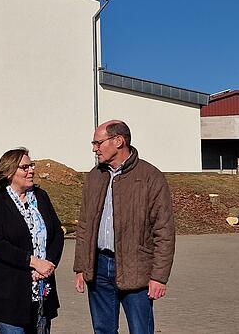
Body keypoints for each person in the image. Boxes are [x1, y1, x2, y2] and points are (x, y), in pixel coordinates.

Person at [73, 120, 176, 334]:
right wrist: (81, 266)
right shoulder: (94, 176)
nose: (94, 148)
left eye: (98, 142)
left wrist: (159, 276)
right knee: (103, 329)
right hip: (98, 267)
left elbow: (164, 232)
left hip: (137, 270)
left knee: (141, 330)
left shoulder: (150, 177)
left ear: (119, 141)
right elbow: (84, 225)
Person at [0, 147, 65, 334]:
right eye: (25, 167)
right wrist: (33, 262)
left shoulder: (41, 197)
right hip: (9, 293)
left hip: (42, 291)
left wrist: (48, 264)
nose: (31, 170)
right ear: (9, 172)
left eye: (32, 165)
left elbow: (57, 234)